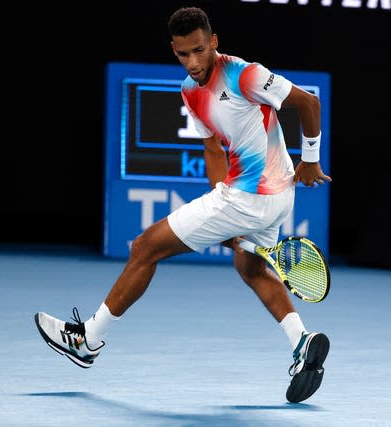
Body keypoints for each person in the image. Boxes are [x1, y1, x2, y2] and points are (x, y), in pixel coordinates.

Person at [34, 6, 332, 403]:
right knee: (251, 266)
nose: (192, 62)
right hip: (269, 198)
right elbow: (212, 147)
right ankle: (301, 341)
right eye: (182, 54)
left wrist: (310, 158)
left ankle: (87, 341)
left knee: (145, 247)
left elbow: (307, 104)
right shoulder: (190, 92)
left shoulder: (245, 73)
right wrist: (221, 209)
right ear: (173, 49)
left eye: (198, 50)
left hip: (254, 195)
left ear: (214, 42)